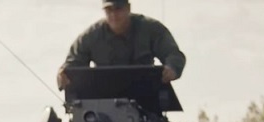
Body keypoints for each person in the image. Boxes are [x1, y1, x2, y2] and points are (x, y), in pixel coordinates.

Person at [57, 0, 186, 90]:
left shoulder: (150, 29)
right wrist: (64, 74)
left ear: (128, 8)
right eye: (109, 10)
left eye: (118, 9)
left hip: (145, 96)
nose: (113, 15)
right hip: (104, 99)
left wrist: (171, 69)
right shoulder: (91, 36)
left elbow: (173, 54)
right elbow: (73, 63)